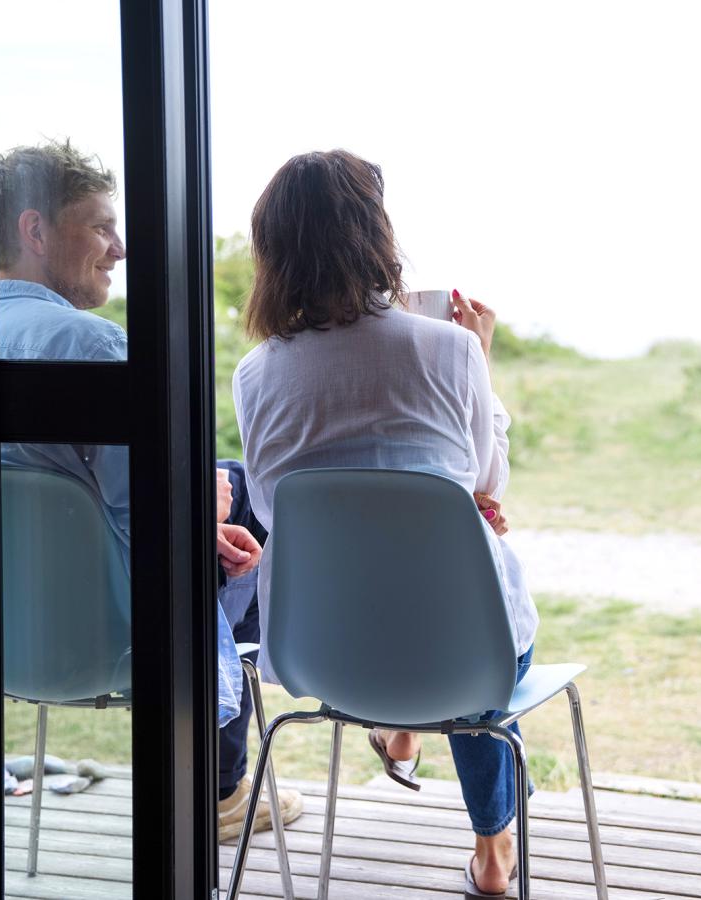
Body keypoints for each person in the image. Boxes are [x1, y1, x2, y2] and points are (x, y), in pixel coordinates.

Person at [232, 149, 538, 897]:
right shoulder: (450, 348)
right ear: (374, 234)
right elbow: (486, 483)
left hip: (326, 654)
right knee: (478, 652)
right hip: (462, 649)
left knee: (435, 631)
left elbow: (273, 507)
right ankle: (493, 851)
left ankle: (397, 727)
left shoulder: (254, 373)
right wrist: (480, 364)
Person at [0, 140, 303, 838]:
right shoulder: (90, 347)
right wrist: (198, 509)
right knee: (244, 499)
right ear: (35, 230)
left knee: (223, 490)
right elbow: (154, 520)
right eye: (101, 226)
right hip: (107, 635)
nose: (121, 248)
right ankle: (219, 787)